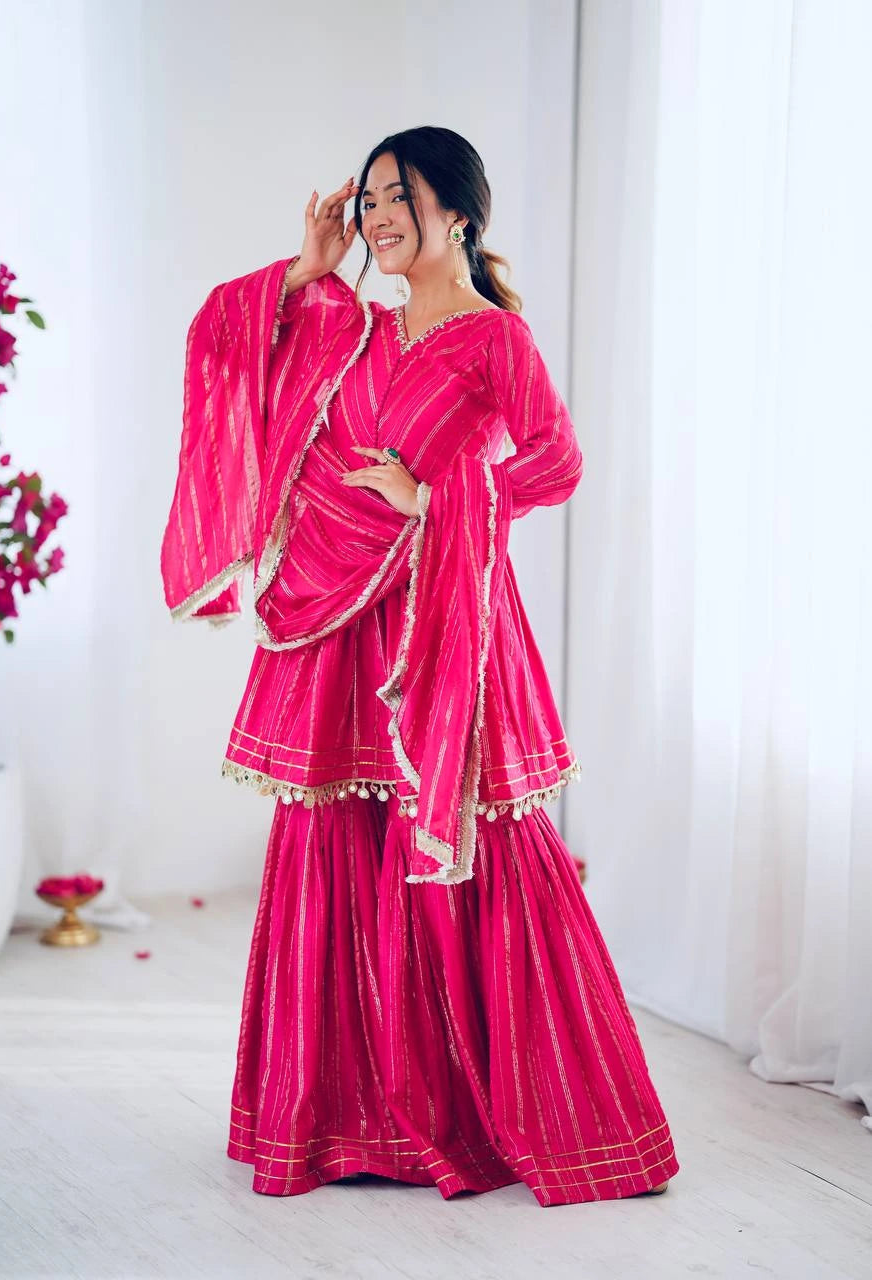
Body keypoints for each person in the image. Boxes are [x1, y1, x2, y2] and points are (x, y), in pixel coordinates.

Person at [161, 126, 680, 1207]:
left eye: (398, 196)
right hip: (335, 634)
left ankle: (535, 1119)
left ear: (457, 207)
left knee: (475, 854)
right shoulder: (353, 327)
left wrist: (435, 500)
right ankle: (339, 1122)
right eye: (369, 203)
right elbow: (227, 355)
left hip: (446, 630)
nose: (378, 217)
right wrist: (305, 272)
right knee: (333, 844)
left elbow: (554, 464)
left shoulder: (493, 342)